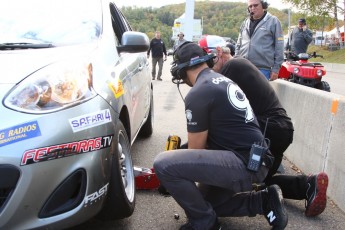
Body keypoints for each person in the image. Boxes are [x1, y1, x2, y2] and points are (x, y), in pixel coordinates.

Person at [153, 42, 288, 230]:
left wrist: (173, 178)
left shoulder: (198, 92)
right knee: (205, 203)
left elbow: (196, 151)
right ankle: (262, 201)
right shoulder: (221, 80)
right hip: (256, 160)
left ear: (182, 71)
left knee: (164, 164)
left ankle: (204, 223)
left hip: (243, 163)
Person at [212, 45, 329, 218]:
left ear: (219, 53)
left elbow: (216, 116)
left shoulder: (231, 68)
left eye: (209, 65)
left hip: (268, 131)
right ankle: (307, 185)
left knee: (229, 149)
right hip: (279, 131)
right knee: (263, 181)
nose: (209, 72)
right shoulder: (241, 65)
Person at [235, 0, 284, 81]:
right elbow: (238, 44)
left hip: (263, 70)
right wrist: (236, 61)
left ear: (263, 6)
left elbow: (279, 46)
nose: (253, 8)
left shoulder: (273, 21)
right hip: (243, 67)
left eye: (255, 5)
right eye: (250, 6)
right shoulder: (245, 23)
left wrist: (276, 69)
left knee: (258, 94)